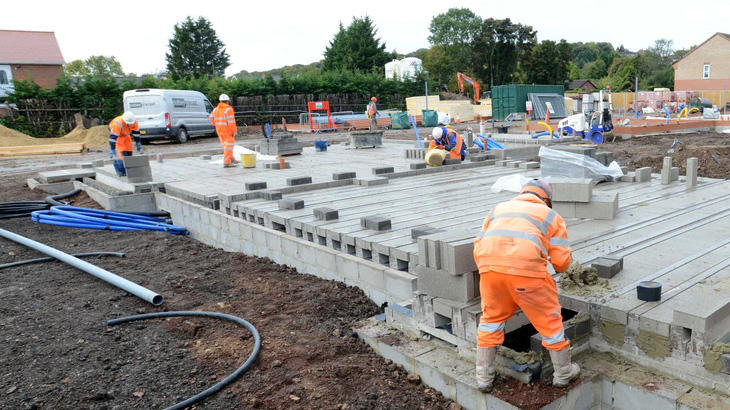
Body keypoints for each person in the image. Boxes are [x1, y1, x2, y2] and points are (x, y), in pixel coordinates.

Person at [472, 179, 578, 393]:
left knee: (490, 321)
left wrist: (495, 269)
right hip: (527, 275)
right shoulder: (551, 216)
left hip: (490, 272)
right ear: (546, 199)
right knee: (549, 322)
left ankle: (483, 378)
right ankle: (563, 373)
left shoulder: (497, 209)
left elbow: (478, 246)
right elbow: (562, 262)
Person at [209, 93, 238, 168]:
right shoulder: (229, 109)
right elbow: (231, 122)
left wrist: (216, 124)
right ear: (228, 101)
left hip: (219, 131)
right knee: (228, 147)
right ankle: (227, 162)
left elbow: (211, 118)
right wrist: (234, 131)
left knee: (226, 147)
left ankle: (232, 159)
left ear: (220, 101)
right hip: (227, 131)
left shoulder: (216, 109)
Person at [108, 111, 141, 177]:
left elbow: (136, 133)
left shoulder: (134, 122)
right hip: (119, 136)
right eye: (128, 123)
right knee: (122, 154)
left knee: (129, 152)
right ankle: (122, 172)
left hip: (126, 135)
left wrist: (138, 142)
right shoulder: (117, 124)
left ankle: (128, 170)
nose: (129, 124)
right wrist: (112, 148)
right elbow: (112, 138)